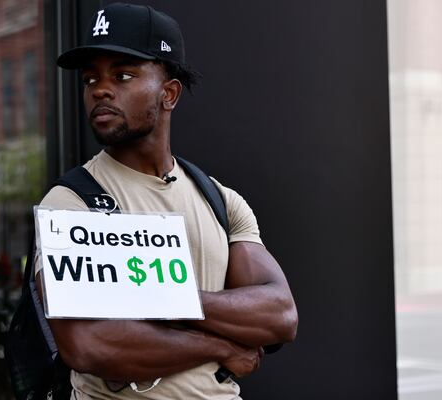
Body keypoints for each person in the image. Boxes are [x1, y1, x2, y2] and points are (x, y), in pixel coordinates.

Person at [35, 3, 298, 399]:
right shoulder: (72, 201)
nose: (100, 89)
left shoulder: (217, 199)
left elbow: (279, 314)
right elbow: (89, 343)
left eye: (123, 75)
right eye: (91, 79)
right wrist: (222, 345)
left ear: (169, 93)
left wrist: (167, 301)